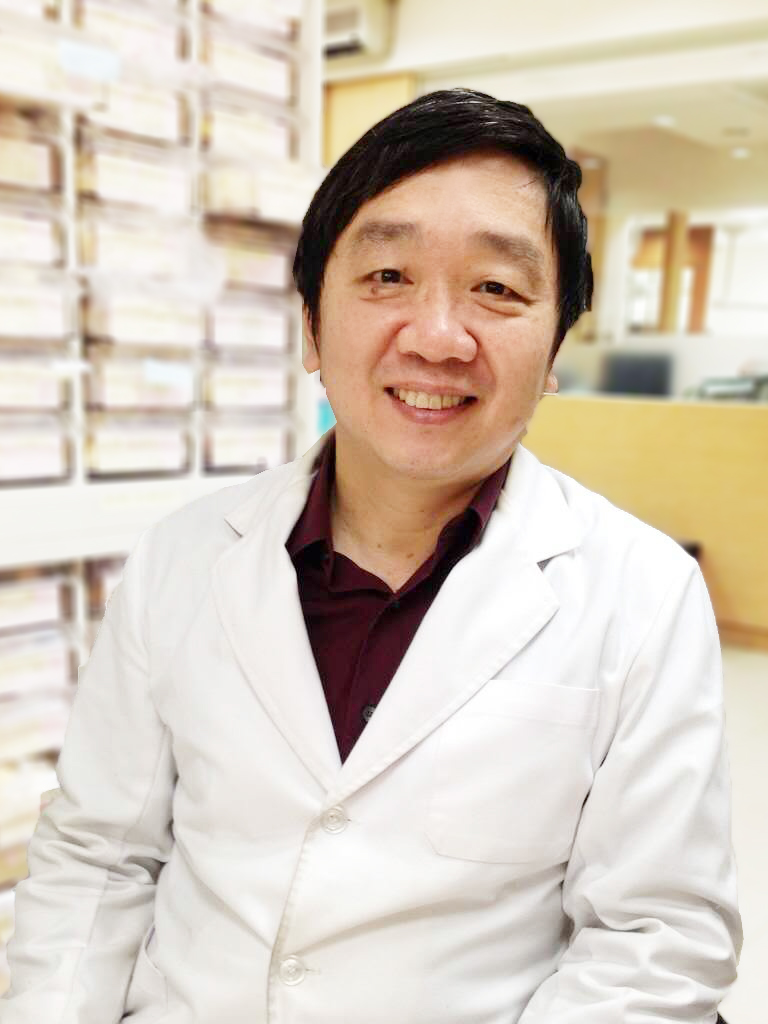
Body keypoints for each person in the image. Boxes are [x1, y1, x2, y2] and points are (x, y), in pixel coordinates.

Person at [1, 88, 741, 1023]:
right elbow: (99, 859)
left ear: (555, 348)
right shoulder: (181, 559)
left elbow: (654, 941)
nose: (437, 337)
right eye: (388, 275)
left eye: (498, 289)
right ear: (312, 324)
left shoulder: (642, 593)